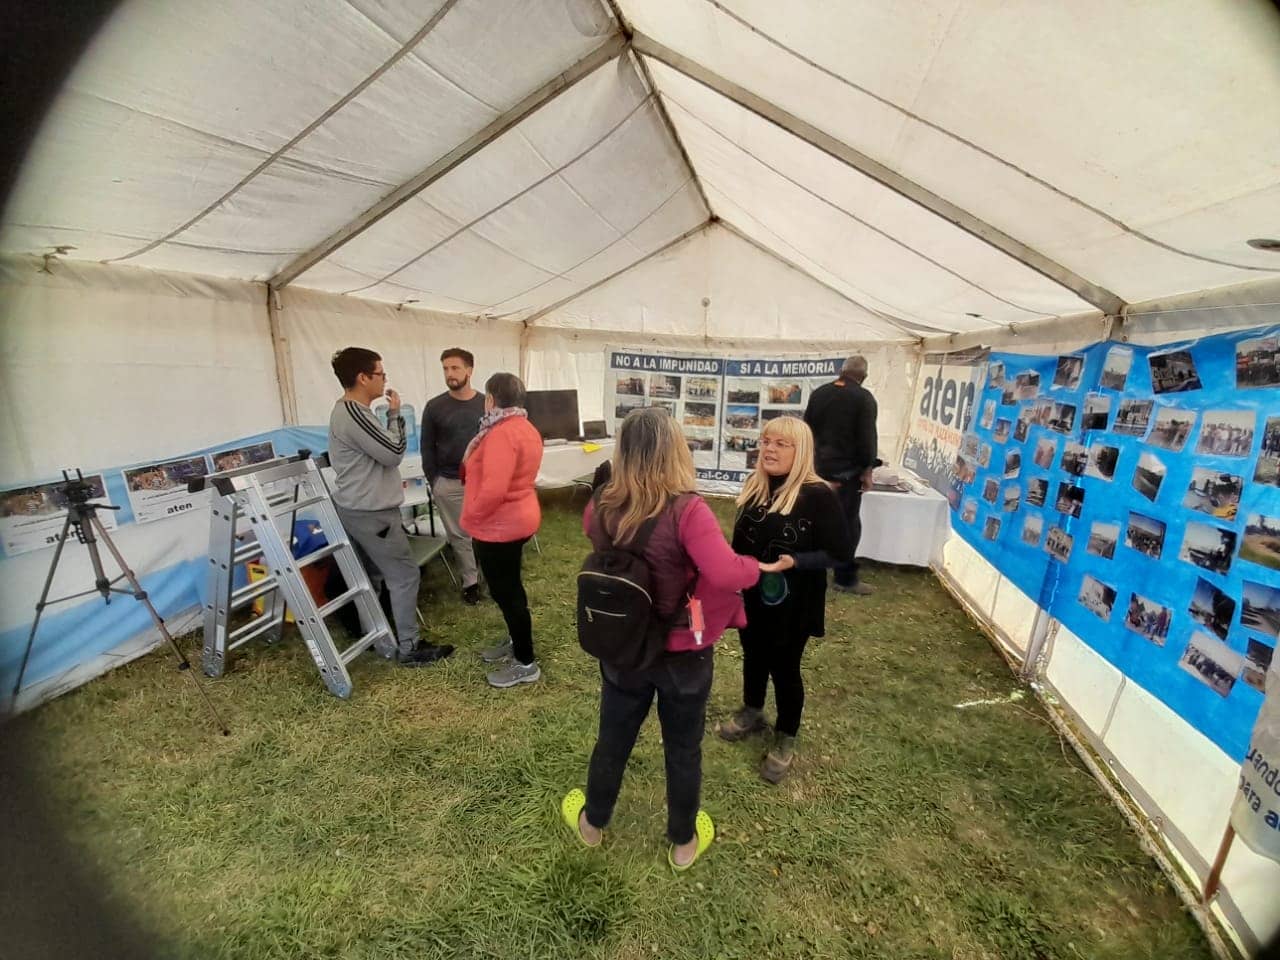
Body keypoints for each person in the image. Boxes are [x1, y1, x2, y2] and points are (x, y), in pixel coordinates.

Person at [560, 408, 771, 870]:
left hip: (624, 645)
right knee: (683, 747)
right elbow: (726, 572)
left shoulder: (601, 505)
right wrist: (756, 567)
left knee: (612, 738)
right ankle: (682, 841)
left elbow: (597, 538)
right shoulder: (687, 511)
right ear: (674, 449)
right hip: (682, 653)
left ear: (623, 451)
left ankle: (593, 822)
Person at [717, 415, 852, 784]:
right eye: (765, 441)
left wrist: (796, 561)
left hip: (794, 605)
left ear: (800, 450)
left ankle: (786, 735)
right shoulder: (755, 487)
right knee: (753, 654)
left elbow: (840, 552)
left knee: (785, 668)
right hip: (752, 596)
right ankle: (752, 709)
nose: (769, 449)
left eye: (780, 444)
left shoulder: (818, 496)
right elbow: (740, 544)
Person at [326, 347, 454, 667]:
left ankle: (378, 635)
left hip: (358, 507)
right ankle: (409, 648)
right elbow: (394, 452)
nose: (384, 380)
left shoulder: (346, 411)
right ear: (363, 377)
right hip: (373, 512)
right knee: (405, 575)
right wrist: (395, 415)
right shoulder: (355, 413)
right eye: (380, 374)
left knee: (372, 576)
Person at [459, 372, 544, 688]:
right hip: (518, 518)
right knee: (510, 590)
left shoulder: (500, 434)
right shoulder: (525, 427)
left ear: (491, 399)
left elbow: (493, 490)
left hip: (499, 526)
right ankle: (517, 642)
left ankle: (525, 662)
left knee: (506, 593)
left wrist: (472, 516)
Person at [803, 355, 878, 594]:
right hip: (846, 474)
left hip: (817, 470)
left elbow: (806, 431)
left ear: (841, 371)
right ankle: (845, 579)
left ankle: (807, 567)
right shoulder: (864, 398)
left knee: (812, 520)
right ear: (863, 376)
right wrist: (867, 471)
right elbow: (867, 439)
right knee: (847, 525)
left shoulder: (819, 393)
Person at [422, 347, 486, 605]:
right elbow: (427, 447)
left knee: (485, 531)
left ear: (469, 370)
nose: (450, 373)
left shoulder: (486, 404)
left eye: (455, 368)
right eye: (445, 369)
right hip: (448, 481)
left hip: (483, 481)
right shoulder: (434, 407)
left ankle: (491, 575)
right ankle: (471, 583)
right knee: (460, 535)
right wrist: (434, 481)